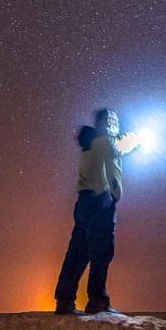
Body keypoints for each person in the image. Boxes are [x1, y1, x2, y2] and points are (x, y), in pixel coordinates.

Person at [53, 107, 124, 316]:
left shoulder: (90, 142)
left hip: (84, 201)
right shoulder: (106, 143)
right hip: (101, 200)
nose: (115, 124)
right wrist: (115, 195)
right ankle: (98, 300)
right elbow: (113, 173)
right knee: (102, 251)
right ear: (106, 122)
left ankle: (64, 302)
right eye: (112, 120)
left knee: (77, 252)